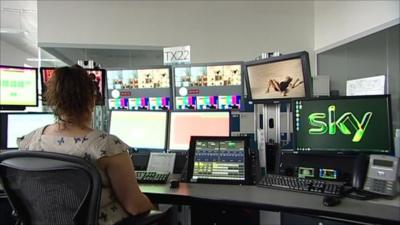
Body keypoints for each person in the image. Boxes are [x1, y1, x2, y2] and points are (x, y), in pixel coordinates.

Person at [18, 65, 154, 225]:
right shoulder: (107, 145)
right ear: (92, 99)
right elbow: (135, 207)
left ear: (52, 100)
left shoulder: (29, 141)